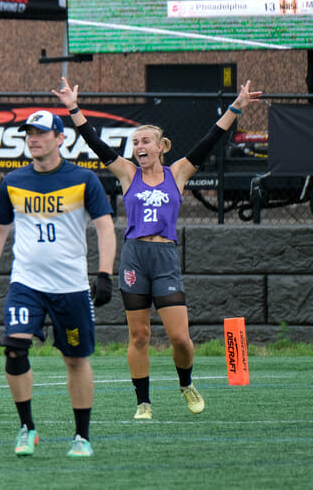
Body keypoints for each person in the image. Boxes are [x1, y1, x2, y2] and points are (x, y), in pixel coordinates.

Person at [53, 76, 262, 420]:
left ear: (160, 146)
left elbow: (211, 139)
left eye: (145, 140)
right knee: (139, 336)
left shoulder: (177, 172)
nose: (139, 146)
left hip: (165, 258)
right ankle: (143, 402)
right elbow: (94, 142)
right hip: (135, 256)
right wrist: (73, 109)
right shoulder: (127, 173)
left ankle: (185, 384)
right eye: (135, 142)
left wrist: (237, 106)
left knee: (179, 337)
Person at [0, 110, 116, 459]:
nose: (33, 139)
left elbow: (105, 227)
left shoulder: (84, 179)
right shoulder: (13, 181)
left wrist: (105, 273)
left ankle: (81, 436)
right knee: (14, 348)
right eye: (29, 133)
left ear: (60, 138)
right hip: (27, 284)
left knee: (75, 360)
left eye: (40, 133)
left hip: (71, 288)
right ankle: (27, 428)